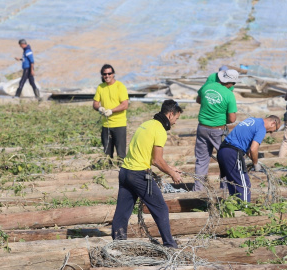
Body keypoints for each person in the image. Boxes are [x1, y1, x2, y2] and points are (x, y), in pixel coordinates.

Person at [111, 100, 183, 247]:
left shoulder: (147, 124)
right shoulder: (160, 130)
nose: (175, 122)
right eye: (176, 118)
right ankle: (170, 244)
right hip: (138, 175)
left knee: (123, 211)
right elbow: (157, 160)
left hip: (125, 172)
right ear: (170, 115)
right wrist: (172, 174)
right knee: (161, 208)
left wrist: (170, 167)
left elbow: (147, 155)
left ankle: (118, 244)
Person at [193, 69, 239, 191]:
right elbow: (232, 118)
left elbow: (198, 100)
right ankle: (224, 189)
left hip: (202, 128)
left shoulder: (207, 86)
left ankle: (198, 189)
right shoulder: (229, 95)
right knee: (224, 159)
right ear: (230, 83)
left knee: (201, 160)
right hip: (217, 130)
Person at [217, 115, 281, 202]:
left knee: (233, 183)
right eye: (274, 130)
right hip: (233, 152)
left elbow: (247, 147)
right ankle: (244, 211)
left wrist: (254, 160)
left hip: (223, 151)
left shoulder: (252, 120)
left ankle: (235, 208)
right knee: (244, 185)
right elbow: (253, 149)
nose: (270, 132)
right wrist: (255, 164)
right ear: (273, 123)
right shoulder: (261, 128)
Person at [93, 64, 129, 160]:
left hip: (119, 125)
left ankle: (122, 172)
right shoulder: (101, 87)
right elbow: (95, 103)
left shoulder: (120, 86)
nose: (107, 76)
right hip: (106, 125)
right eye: (105, 74)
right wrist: (99, 108)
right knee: (107, 155)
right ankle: (108, 171)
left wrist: (111, 111)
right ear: (102, 75)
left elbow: (125, 105)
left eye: (109, 73)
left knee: (121, 154)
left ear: (113, 74)